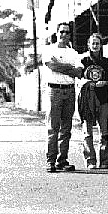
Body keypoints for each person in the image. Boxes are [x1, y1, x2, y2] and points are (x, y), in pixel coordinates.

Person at [43, 22, 83, 173]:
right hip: (55, 90)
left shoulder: (73, 53)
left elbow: (79, 72)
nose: (64, 34)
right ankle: (50, 160)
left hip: (69, 91)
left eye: (67, 32)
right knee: (53, 127)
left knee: (66, 128)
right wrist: (69, 68)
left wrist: (60, 65)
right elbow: (51, 65)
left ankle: (62, 160)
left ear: (70, 35)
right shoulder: (49, 49)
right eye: (61, 31)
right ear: (57, 33)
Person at [78, 33, 108, 169]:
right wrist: (87, 82)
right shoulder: (84, 61)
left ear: (101, 45)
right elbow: (78, 78)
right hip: (87, 100)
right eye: (93, 43)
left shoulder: (105, 62)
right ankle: (90, 160)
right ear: (89, 45)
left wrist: (104, 82)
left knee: (103, 131)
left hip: (103, 99)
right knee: (87, 131)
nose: (95, 46)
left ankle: (104, 160)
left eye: (97, 43)